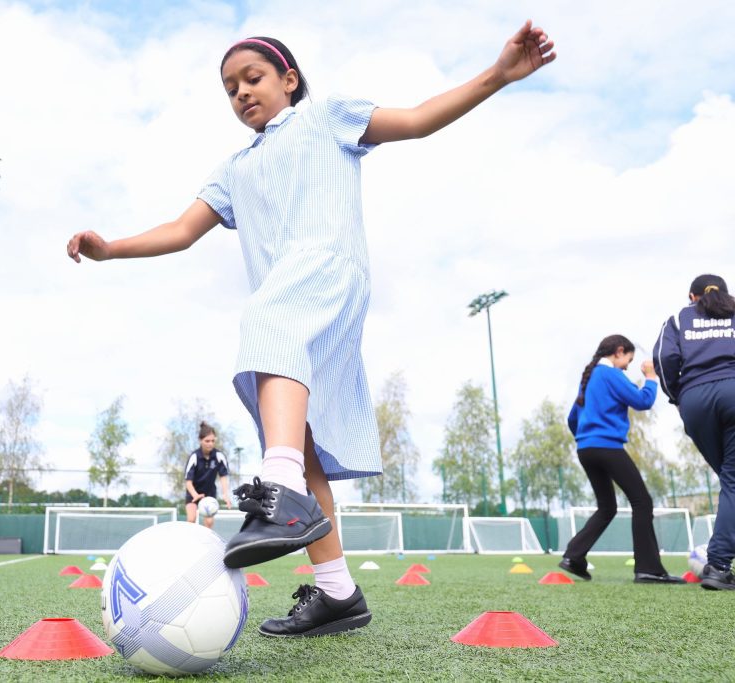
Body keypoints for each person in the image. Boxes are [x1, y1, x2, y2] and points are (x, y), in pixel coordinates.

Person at [68, 22, 555, 636]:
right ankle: (338, 592)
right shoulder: (235, 170)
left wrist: (498, 76)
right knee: (305, 448)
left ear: (288, 80)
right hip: (291, 312)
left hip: (327, 271)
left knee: (269, 343)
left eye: (254, 78)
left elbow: (419, 118)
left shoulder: (327, 118)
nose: (242, 93)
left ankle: (279, 492)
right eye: (229, 89)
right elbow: (181, 229)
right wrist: (111, 248)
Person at [559, 335, 683, 584]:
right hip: (606, 446)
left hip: (586, 449)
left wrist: (587, 437)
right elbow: (643, 401)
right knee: (642, 502)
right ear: (618, 351)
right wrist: (650, 377)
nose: (627, 365)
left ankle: (573, 556)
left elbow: (573, 418)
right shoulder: (610, 374)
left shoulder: (589, 378)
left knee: (607, 507)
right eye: (628, 359)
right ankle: (648, 569)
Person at [653, 274, 735, 590]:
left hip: (695, 401)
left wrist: (678, 396)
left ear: (692, 296)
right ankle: (718, 564)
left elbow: (664, 358)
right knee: (733, 481)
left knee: (730, 481)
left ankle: (719, 557)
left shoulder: (679, 317)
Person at [184, 422, 231, 529]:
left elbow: (223, 476)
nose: (210, 443)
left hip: (209, 493)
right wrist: (195, 495)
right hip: (193, 493)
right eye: (207, 441)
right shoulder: (194, 457)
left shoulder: (219, 456)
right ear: (200, 440)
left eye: (213, 441)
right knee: (191, 519)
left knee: (209, 523)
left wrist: (225, 494)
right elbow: (188, 482)